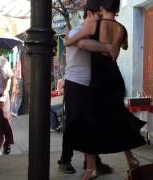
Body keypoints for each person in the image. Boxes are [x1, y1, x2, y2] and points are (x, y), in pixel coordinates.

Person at [64, 0, 146, 179]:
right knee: (117, 119)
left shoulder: (95, 24)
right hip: (114, 78)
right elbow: (122, 49)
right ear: (117, 9)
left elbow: (81, 43)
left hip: (99, 80)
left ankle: (91, 168)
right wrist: (111, 45)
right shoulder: (122, 28)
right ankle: (131, 160)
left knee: (89, 122)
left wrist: (68, 40)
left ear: (101, 8)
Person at [58, 1, 116, 175]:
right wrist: (107, 46)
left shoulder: (94, 34)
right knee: (73, 122)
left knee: (93, 124)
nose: (101, 19)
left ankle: (92, 162)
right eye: (99, 16)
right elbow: (83, 45)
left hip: (93, 85)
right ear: (90, 14)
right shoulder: (76, 32)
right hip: (75, 83)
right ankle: (65, 160)